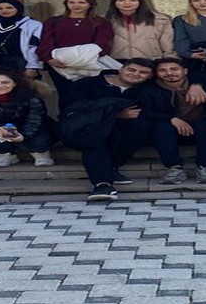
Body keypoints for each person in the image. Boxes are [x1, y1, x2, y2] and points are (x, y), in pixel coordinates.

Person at [63, 58, 156, 202]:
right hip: (85, 128)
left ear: (150, 76)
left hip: (121, 131)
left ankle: (111, 168)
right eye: (131, 70)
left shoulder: (146, 90)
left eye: (143, 72)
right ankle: (103, 185)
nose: (136, 74)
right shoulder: (87, 84)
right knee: (96, 141)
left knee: (139, 127)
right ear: (121, 69)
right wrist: (113, 112)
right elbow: (73, 108)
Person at [138, 57, 206, 185]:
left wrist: (197, 85)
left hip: (199, 129)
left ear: (185, 71)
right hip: (168, 132)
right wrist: (171, 119)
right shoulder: (149, 90)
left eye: (174, 69)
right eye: (163, 70)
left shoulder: (205, 85)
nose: (169, 73)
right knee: (161, 127)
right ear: (157, 73)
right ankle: (175, 168)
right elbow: (145, 111)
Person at [37, 0, 113, 110]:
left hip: (89, 64)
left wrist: (83, 59)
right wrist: (49, 58)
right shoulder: (53, 21)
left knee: (88, 94)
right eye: (72, 2)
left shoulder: (101, 22)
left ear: (90, 4)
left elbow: (102, 44)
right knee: (65, 94)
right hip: (59, 65)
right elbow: (46, 42)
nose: (76, 5)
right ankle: (65, 119)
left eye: (81, 2)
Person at [0, 67, 55, 167]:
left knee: (39, 139)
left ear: (15, 83)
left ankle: (41, 153)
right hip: (2, 127)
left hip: (30, 127)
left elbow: (35, 120)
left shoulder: (31, 97)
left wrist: (24, 135)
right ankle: (6, 155)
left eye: (5, 82)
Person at [0, 0, 44, 77]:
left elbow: (35, 47)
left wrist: (33, 66)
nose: (4, 11)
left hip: (20, 64)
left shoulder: (33, 25)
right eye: (0, 8)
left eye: (9, 8)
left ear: (18, 8)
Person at [105, 0, 174, 61]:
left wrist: (170, 60)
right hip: (114, 62)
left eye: (133, 0)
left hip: (150, 61)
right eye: (121, 0)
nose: (127, 3)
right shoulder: (104, 20)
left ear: (140, 2)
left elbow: (168, 46)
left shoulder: (160, 20)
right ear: (114, 3)